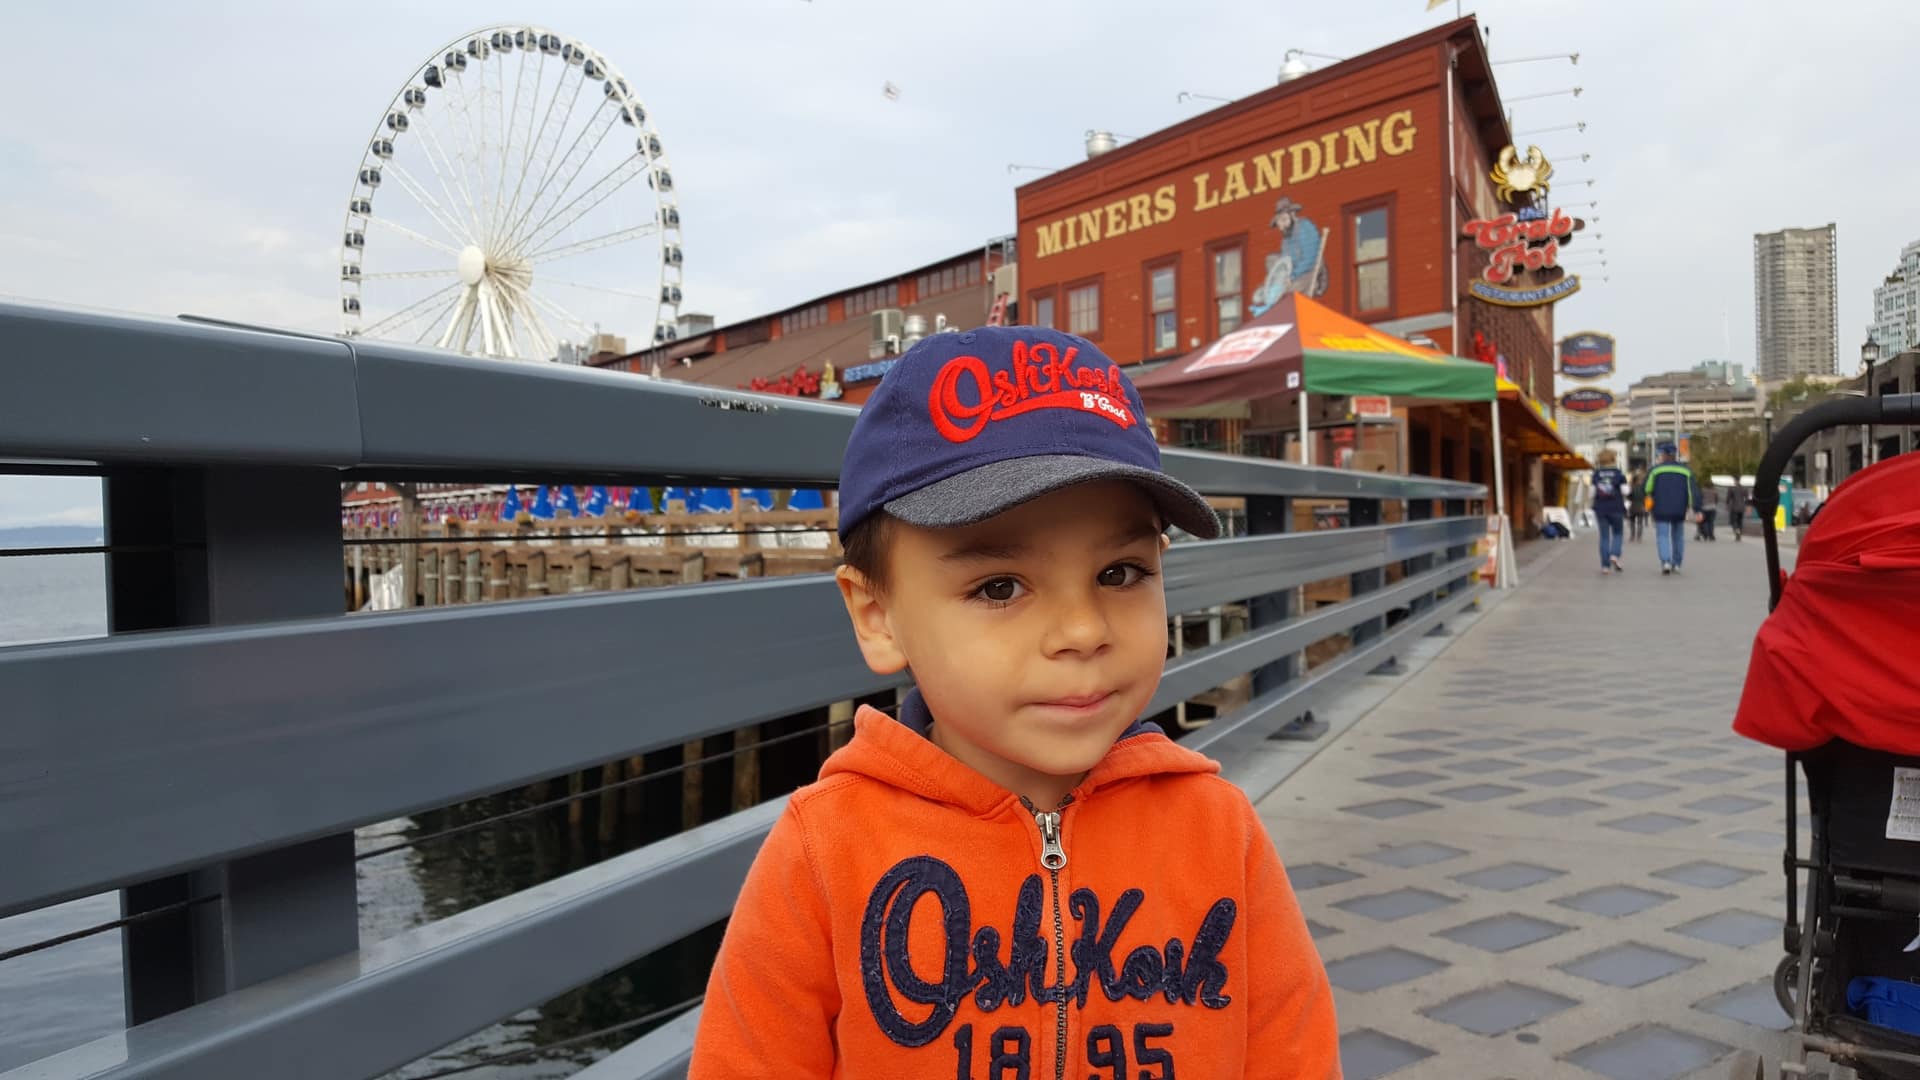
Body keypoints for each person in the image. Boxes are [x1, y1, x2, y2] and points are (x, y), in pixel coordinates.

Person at [688, 327, 1340, 1079]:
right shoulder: (823, 854)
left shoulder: (1220, 833)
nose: (1083, 631)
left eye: (1121, 573)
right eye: (999, 587)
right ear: (878, 617)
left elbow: (1295, 1054)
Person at [1645, 443, 1701, 575]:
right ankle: (1677, 563)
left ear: (1663, 455)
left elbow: (1647, 488)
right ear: (1675, 455)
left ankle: (1666, 562)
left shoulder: (1655, 470)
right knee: (1678, 536)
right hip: (1679, 508)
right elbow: (1693, 492)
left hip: (1661, 508)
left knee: (1662, 535)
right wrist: (1696, 508)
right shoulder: (1686, 470)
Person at [1591, 449, 1629, 574]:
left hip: (1601, 509)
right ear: (1613, 459)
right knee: (1618, 533)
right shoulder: (1619, 474)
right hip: (1616, 508)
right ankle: (1614, 554)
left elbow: (1591, 493)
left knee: (1604, 537)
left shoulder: (1596, 475)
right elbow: (1625, 491)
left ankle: (1605, 566)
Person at [1627, 468, 1649, 543]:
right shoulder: (1643, 488)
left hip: (1632, 506)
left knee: (1632, 522)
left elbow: (1628, 497)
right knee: (1640, 522)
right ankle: (1639, 537)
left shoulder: (1631, 487)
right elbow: (1646, 497)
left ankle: (1632, 536)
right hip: (1641, 506)